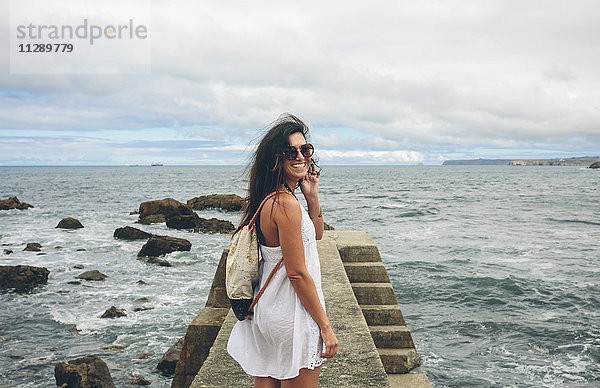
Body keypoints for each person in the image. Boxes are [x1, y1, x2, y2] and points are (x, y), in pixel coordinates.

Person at [227, 114, 338, 388]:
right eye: (291, 151)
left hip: (269, 314)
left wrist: (312, 196)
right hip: (293, 316)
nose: (301, 156)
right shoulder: (286, 205)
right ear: (277, 159)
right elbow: (298, 273)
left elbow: (316, 234)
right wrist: (325, 326)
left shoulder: (269, 199)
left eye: (305, 149)